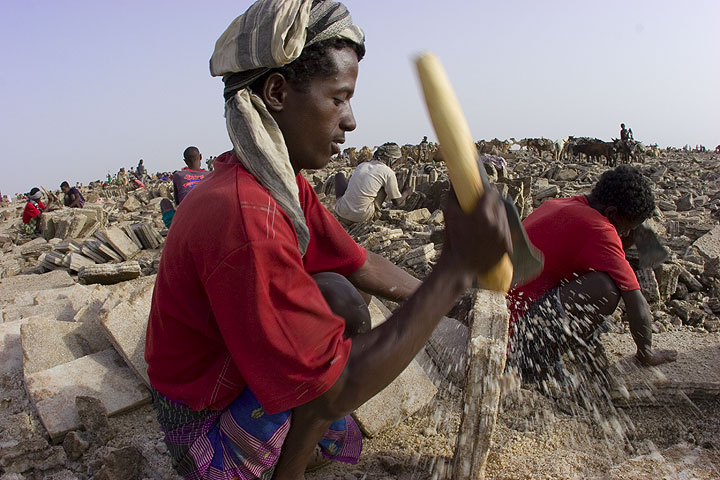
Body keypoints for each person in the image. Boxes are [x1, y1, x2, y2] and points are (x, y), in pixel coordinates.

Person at [144, 1, 511, 479]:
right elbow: (334, 387)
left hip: (232, 369)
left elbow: (359, 262)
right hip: (202, 420)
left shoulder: (278, 181)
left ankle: (290, 449)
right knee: (322, 368)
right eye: (339, 98)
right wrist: (454, 269)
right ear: (277, 91)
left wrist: (462, 304)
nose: (351, 120)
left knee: (338, 294)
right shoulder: (244, 213)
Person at [507, 165, 677, 385]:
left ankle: (539, 353)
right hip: (514, 338)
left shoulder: (562, 204)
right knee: (605, 289)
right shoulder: (599, 229)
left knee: (595, 280)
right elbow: (636, 303)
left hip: (506, 313)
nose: (625, 234)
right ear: (612, 213)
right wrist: (646, 353)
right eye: (626, 228)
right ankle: (536, 365)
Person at [334, 142, 408, 224]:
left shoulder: (362, 165)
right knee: (384, 185)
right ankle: (371, 213)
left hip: (341, 213)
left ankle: (347, 205)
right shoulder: (387, 172)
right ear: (392, 159)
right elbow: (397, 203)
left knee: (339, 176)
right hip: (362, 218)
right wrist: (407, 192)